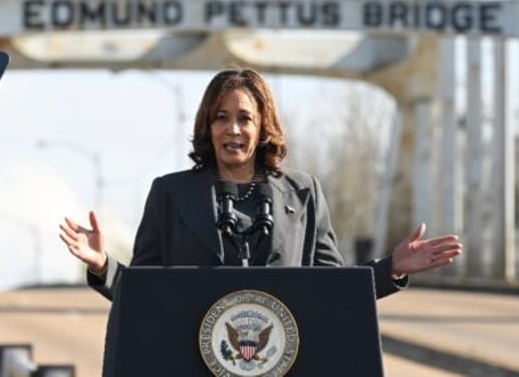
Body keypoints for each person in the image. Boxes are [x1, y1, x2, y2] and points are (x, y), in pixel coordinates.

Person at [59, 68, 462, 301]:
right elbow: (145, 295)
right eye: (220, 117)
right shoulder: (170, 194)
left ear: (263, 125)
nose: (232, 129)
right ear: (207, 125)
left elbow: (331, 292)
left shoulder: (304, 193)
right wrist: (102, 265)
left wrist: (390, 269)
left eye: (245, 118)